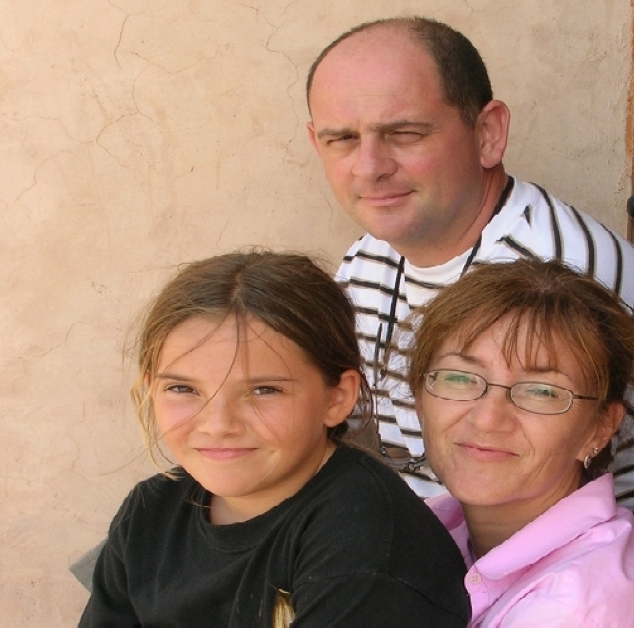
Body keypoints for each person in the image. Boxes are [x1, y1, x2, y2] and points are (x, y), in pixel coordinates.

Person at [306, 17, 634, 625]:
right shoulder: (373, 253)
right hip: (483, 570)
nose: (369, 166)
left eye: (404, 132)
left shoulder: (559, 280)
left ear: (488, 134)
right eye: (343, 139)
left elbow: (484, 470)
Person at [78, 251, 471, 627]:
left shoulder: (368, 545)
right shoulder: (151, 514)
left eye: (263, 390)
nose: (218, 423)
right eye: (183, 389)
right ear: (150, 388)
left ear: (338, 397)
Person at [409, 258, 634, 627]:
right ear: (419, 399)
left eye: (542, 391)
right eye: (459, 378)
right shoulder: (423, 526)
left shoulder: (581, 609)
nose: (487, 418)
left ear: (600, 427)